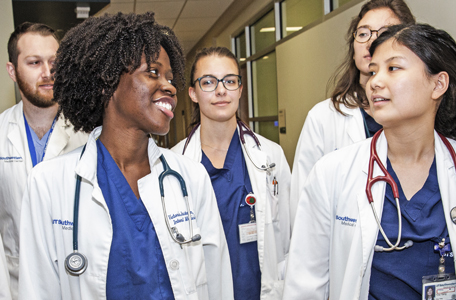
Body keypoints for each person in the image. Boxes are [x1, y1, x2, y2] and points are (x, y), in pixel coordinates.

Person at [18, 13, 233, 299]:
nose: (170, 86)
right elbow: (38, 290)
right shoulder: (48, 184)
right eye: (153, 72)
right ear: (108, 82)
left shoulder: (191, 178)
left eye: (170, 77)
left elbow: (218, 284)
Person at [283, 23, 456, 299]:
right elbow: (306, 284)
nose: (374, 81)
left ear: (438, 84)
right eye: (373, 71)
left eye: (393, 68)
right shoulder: (333, 172)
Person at [172, 47, 291, 299]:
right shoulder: (174, 163)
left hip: (258, 290)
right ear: (192, 93)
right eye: (208, 82)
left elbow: (289, 233)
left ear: (240, 89)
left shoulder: (271, 155)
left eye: (230, 81)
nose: (221, 90)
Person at [289, 0, 415, 228]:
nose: (371, 41)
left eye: (385, 33)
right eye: (363, 33)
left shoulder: (422, 111)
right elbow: (303, 206)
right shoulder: (324, 118)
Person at [0, 22, 88, 299]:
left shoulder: (91, 132)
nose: (48, 72)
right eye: (34, 62)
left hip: (82, 280)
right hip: (17, 285)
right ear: (12, 71)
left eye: (54, 62)